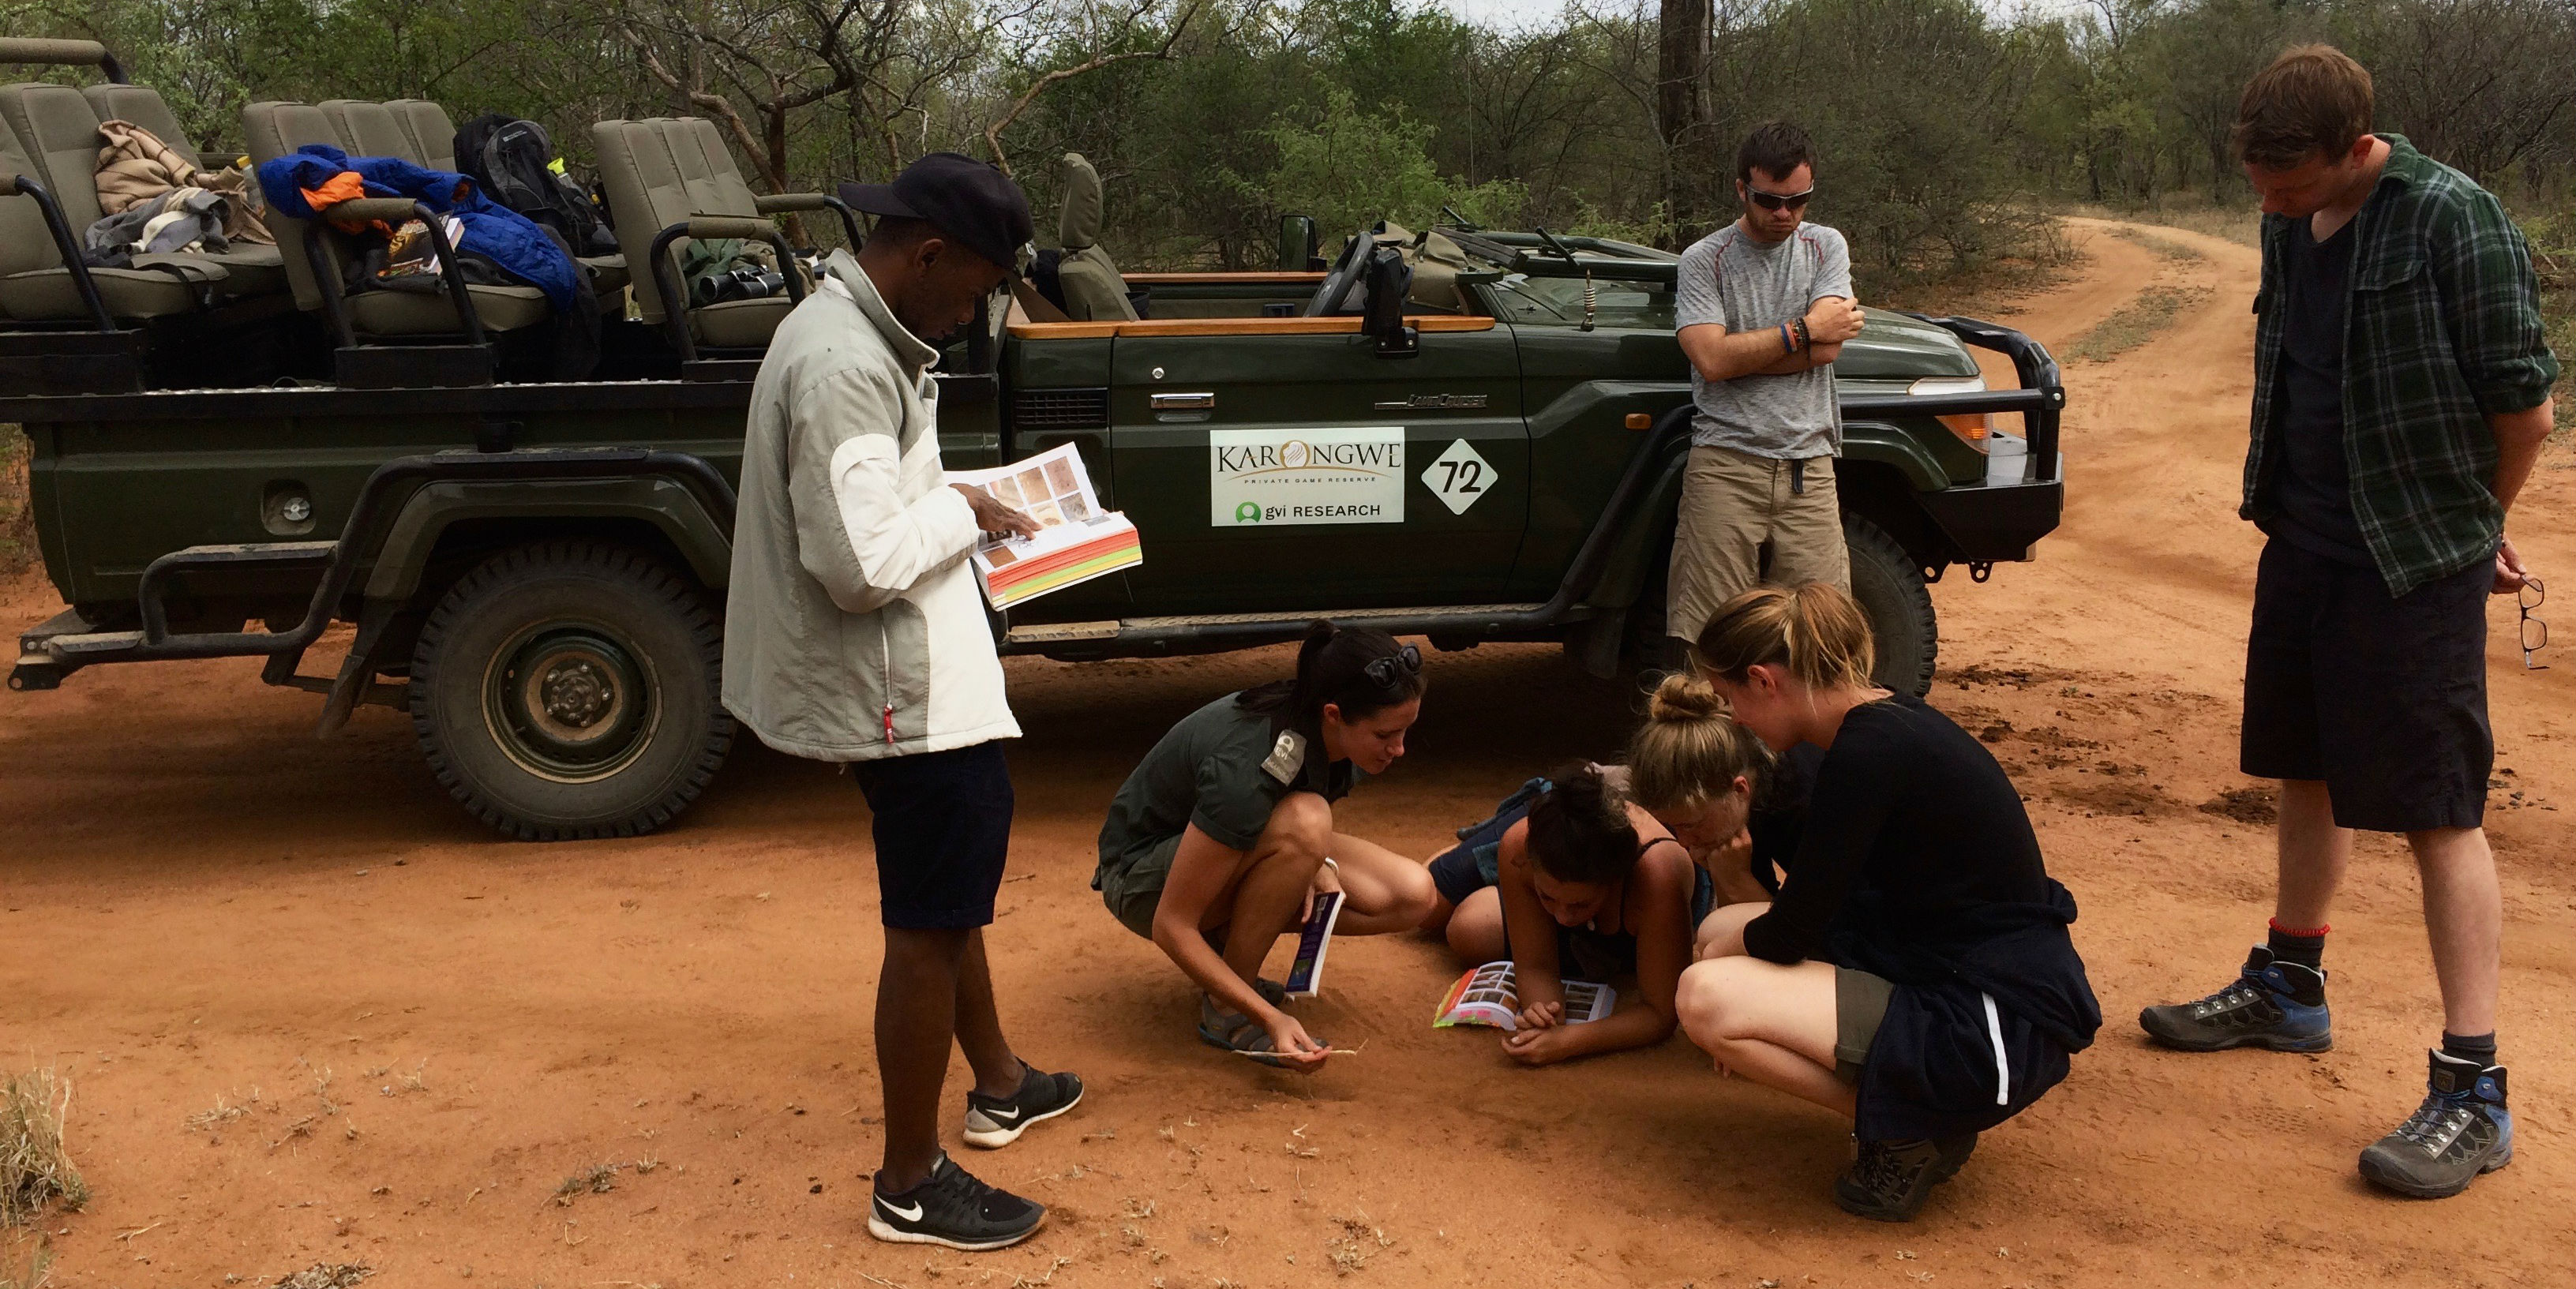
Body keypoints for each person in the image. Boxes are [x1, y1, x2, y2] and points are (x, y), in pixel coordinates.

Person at [2135, 45, 2558, 1201]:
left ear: (2352, 148)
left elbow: (2523, 409)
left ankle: (2471, 1086)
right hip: (2304, 540)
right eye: (2258, 188)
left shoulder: (2449, 220)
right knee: (2302, 769)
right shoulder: (2287, 215)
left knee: (2433, 808)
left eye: (2288, 186)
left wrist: (2471, 532)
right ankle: (2288, 985)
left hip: (2412, 557)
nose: (2267, 207)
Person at [724, 152, 1081, 1253]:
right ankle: (910, 1181)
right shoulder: (840, 363)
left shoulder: (867, 333)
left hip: (924, 679)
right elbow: (859, 563)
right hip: (901, 694)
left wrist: (962, 491)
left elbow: (878, 498)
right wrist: (969, 520)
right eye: (972, 286)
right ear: (925, 254)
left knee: (947, 899)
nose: (973, 307)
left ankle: (1003, 1084)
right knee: (928, 924)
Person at [1673, 584, 2100, 1223]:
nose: (1734, 719)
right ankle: (1912, 1112)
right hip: (1960, 975)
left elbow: (1790, 934)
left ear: (1763, 680)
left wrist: (1735, 950)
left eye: (1732, 698)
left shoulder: (1864, 753)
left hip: (1984, 1023)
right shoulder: (1881, 720)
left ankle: (1916, 1126)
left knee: (1704, 996)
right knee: (1717, 935)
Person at [1093, 622, 1439, 1070]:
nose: (1400, 749)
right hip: (1141, 883)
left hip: (1224, 845)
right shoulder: (1252, 765)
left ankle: (1232, 957)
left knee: (1413, 896)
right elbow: (1171, 924)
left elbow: (1286, 813)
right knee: (1307, 824)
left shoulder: (1335, 736)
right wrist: (1270, 1018)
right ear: (1333, 714)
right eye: (1385, 735)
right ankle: (1228, 1007)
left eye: (1405, 730)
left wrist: (1316, 862)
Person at [1667, 120, 1867, 655]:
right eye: (1769, 200)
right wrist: (1799, 332)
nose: (1783, 214)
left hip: (1809, 466)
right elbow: (1710, 359)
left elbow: (1829, 348)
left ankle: (1806, 742)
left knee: (1823, 639)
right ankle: (1717, 742)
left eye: (1797, 200)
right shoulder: (1703, 259)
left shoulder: (1824, 246)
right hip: (1725, 464)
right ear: (1741, 189)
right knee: (1712, 638)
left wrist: (1745, 353)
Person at [1421, 765, 1699, 1066]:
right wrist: (1544, 1014)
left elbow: (1661, 1014)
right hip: (1552, 818)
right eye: (1547, 898)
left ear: (1615, 879)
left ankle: (1493, 871)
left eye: (1580, 904)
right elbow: (1536, 966)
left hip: (1622, 849)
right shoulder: (1520, 846)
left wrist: (1569, 1042)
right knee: (1429, 907)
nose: (1564, 918)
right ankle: (1483, 850)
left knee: (1472, 926)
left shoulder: (1658, 875)